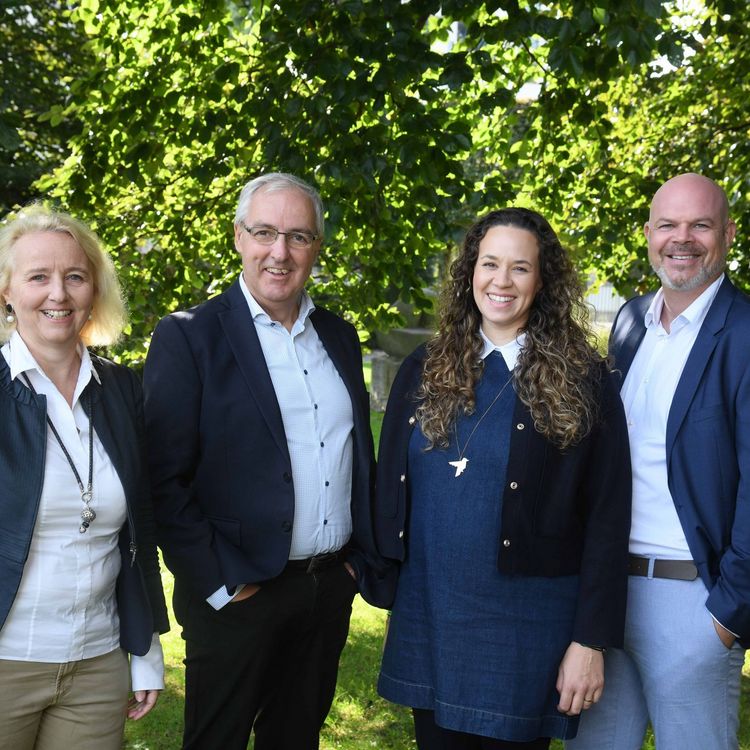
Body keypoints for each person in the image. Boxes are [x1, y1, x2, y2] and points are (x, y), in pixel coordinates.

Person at [143, 172, 386, 750]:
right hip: (239, 593)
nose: (280, 252)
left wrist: (355, 566)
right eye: (265, 233)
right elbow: (163, 479)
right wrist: (219, 584)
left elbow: (357, 456)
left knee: (296, 740)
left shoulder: (339, 336)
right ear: (238, 237)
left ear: (316, 247)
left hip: (327, 587)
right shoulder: (190, 336)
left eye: (298, 236)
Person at [373, 207, 632, 749]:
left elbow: (609, 516)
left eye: (520, 267)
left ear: (543, 281)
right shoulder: (424, 367)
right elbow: (389, 487)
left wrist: (590, 640)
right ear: (470, 271)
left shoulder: (583, 379)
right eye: (490, 263)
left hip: (525, 629)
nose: (502, 281)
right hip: (432, 614)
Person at [569, 173, 750, 749]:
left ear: (728, 234)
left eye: (701, 225)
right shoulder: (629, 322)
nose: (682, 238)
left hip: (692, 603)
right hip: (605, 599)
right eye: (668, 224)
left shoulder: (745, 334)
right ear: (648, 234)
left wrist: (725, 616)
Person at [0, 205, 169, 750]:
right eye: (38, 277)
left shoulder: (122, 390)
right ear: (7, 292)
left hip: (98, 662)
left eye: (75, 276)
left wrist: (145, 649)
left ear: (94, 290)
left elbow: (138, 532)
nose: (59, 293)